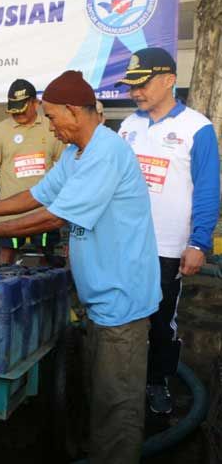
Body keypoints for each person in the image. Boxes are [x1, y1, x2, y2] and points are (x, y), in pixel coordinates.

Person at [0, 71, 161, 464]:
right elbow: (38, 193)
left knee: (118, 406)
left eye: (51, 116)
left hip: (122, 301)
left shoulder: (106, 153)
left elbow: (54, 217)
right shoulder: (76, 154)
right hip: (101, 299)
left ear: (72, 111)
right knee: (100, 396)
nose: (48, 125)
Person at [116, 47, 221, 414]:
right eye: (131, 86)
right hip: (126, 243)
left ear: (169, 80)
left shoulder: (197, 128)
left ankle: (157, 381)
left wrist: (198, 241)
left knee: (161, 319)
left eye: (141, 85)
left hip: (168, 246)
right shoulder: (128, 127)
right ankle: (122, 376)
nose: (135, 92)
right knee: (122, 313)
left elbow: (208, 189)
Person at [0, 79, 64, 264]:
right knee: (6, 254)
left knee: (46, 256)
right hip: (11, 212)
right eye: (14, 110)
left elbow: (65, 165)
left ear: (36, 103)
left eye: (22, 109)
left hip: (44, 211)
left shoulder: (51, 127)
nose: (18, 114)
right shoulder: (1, 130)